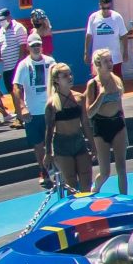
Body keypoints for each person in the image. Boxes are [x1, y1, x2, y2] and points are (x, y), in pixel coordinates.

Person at [82, 47, 130, 195]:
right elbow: (89, 113)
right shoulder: (93, 84)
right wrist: (101, 96)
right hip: (101, 127)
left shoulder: (116, 80)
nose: (110, 64)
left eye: (111, 60)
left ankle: (124, 199)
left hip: (117, 125)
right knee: (105, 172)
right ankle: (95, 188)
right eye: (105, 61)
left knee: (121, 168)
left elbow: (120, 107)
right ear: (98, 64)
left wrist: (125, 130)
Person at [12, 32, 58, 189]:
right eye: (33, 46)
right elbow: (16, 87)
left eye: (38, 45)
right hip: (33, 111)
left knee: (53, 140)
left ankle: (57, 168)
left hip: (49, 109)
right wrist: (22, 108)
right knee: (38, 144)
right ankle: (43, 170)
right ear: (28, 48)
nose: (36, 48)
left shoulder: (50, 61)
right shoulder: (23, 65)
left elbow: (58, 80)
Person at [46, 62, 94, 195]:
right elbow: (49, 130)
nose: (70, 77)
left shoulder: (80, 98)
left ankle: (87, 211)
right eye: (65, 76)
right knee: (71, 181)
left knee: (86, 178)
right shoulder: (52, 104)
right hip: (62, 145)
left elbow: (85, 124)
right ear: (56, 80)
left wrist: (93, 145)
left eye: (70, 74)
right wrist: (48, 153)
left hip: (78, 141)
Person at [0, 8, 31, 121]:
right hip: (7, 68)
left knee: (19, 92)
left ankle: (23, 115)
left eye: (4, 19)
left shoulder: (18, 28)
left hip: (16, 67)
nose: (2, 22)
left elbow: (22, 48)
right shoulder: (0, 31)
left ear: (9, 18)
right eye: (0, 20)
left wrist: (19, 66)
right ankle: (19, 114)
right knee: (11, 91)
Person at [84, 0, 129, 78]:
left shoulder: (117, 17)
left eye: (108, 8)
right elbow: (89, 35)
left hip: (114, 58)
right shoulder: (93, 17)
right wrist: (86, 53)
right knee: (97, 83)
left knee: (117, 81)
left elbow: (124, 35)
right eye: (103, 8)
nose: (105, 10)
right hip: (98, 59)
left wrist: (125, 52)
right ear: (99, 5)